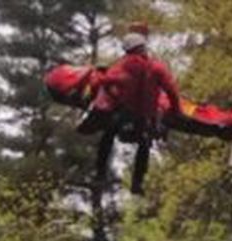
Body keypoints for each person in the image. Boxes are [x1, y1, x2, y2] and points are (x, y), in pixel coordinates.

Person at [77, 22, 183, 194]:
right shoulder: (157, 67)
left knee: (108, 135)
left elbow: (102, 81)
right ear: (143, 48)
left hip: (126, 115)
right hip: (145, 118)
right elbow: (171, 91)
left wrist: (99, 89)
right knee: (144, 145)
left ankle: (100, 175)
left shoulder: (123, 67)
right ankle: (137, 184)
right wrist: (178, 112)